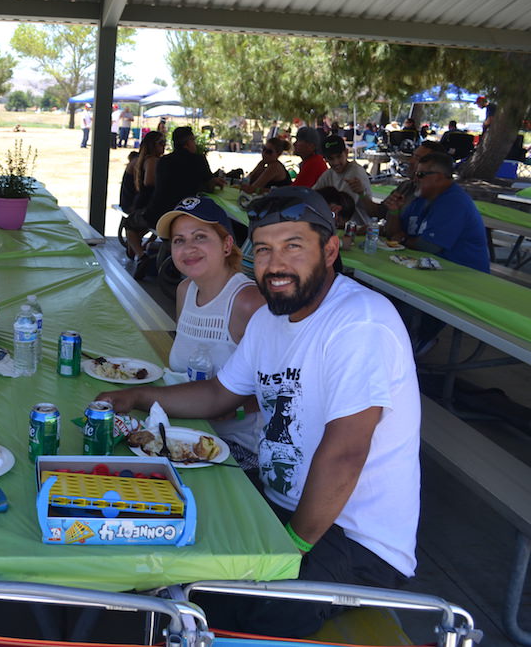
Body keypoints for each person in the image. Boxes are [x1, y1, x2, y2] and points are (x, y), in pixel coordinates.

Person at [98, 186, 420, 638]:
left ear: (329, 250)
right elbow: (217, 394)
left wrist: (288, 548)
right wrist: (136, 397)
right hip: (279, 504)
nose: (275, 263)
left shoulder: (359, 322)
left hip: (353, 539)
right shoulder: (272, 319)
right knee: (171, 559)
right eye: (265, 249)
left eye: (293, 246)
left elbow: (346, 452)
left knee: (248, 614)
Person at [156, 197, 265, 467]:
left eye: (200, 237)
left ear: (227, 245)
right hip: (187, 433)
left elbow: (280, 393)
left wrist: (234, 409)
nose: (188, 248)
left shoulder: (248, 302)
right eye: (179, 240)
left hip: (240, 449)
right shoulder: (185, 291)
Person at [384, 151, 490, 273]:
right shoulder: (421, 197)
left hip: (464, 275)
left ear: (439, 177)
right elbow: (393, 235)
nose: (415, 178)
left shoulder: (454, 202)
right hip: (431, 269)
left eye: (420, 174)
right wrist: (394, 212)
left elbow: (428, 246)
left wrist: (402, 239)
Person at [144, 125, 225, 230]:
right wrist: (214, 181)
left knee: (131, 225)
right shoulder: (199, 160)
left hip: (156, 215)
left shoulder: (164, 161)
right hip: (182, 215)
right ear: (187, 143)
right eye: (193, 140)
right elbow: (209, 186)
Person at [125, 132, 166, 276]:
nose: (164, 145)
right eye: (161, 143)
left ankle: (140, 251)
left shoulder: (143, 159)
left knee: (135, 227)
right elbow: (149, 182)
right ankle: (142, 254)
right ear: (152, 145)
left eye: (164, 142)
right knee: (131, 225)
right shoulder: (152, 160)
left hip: (141, 204)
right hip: (146, 204)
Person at [313, 135, 377, 223]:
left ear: (346, 153)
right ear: (325, 159)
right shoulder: (329, 174)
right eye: (331, 158)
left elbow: (342, 207)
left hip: (359, 227)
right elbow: (312, 196)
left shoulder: (355, 172)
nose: (336, 162)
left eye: (339, 156)